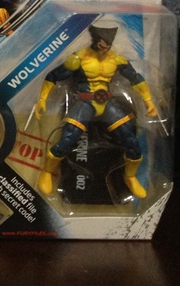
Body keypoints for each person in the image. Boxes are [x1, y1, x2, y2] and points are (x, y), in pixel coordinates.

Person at [34, 25, 158, 198]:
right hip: (85, 102)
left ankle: (130, 176)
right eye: (102, 44)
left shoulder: (116, 59)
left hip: (107, 102)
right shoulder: (78, 58)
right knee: (68, 137)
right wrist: (42, 100)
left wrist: (149, 101)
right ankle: (47, 171)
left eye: (108, 44)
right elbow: (53, 76)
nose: (105, 48)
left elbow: (135, 78)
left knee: (130, 138)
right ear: (95, 40)